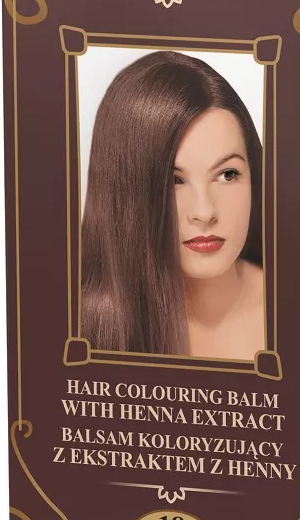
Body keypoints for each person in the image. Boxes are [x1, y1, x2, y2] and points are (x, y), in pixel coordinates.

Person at [81, 50, 264, 359]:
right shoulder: (80, 326)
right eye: (173, 181)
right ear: (124, 195)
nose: (205, 212)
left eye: (227, 174)